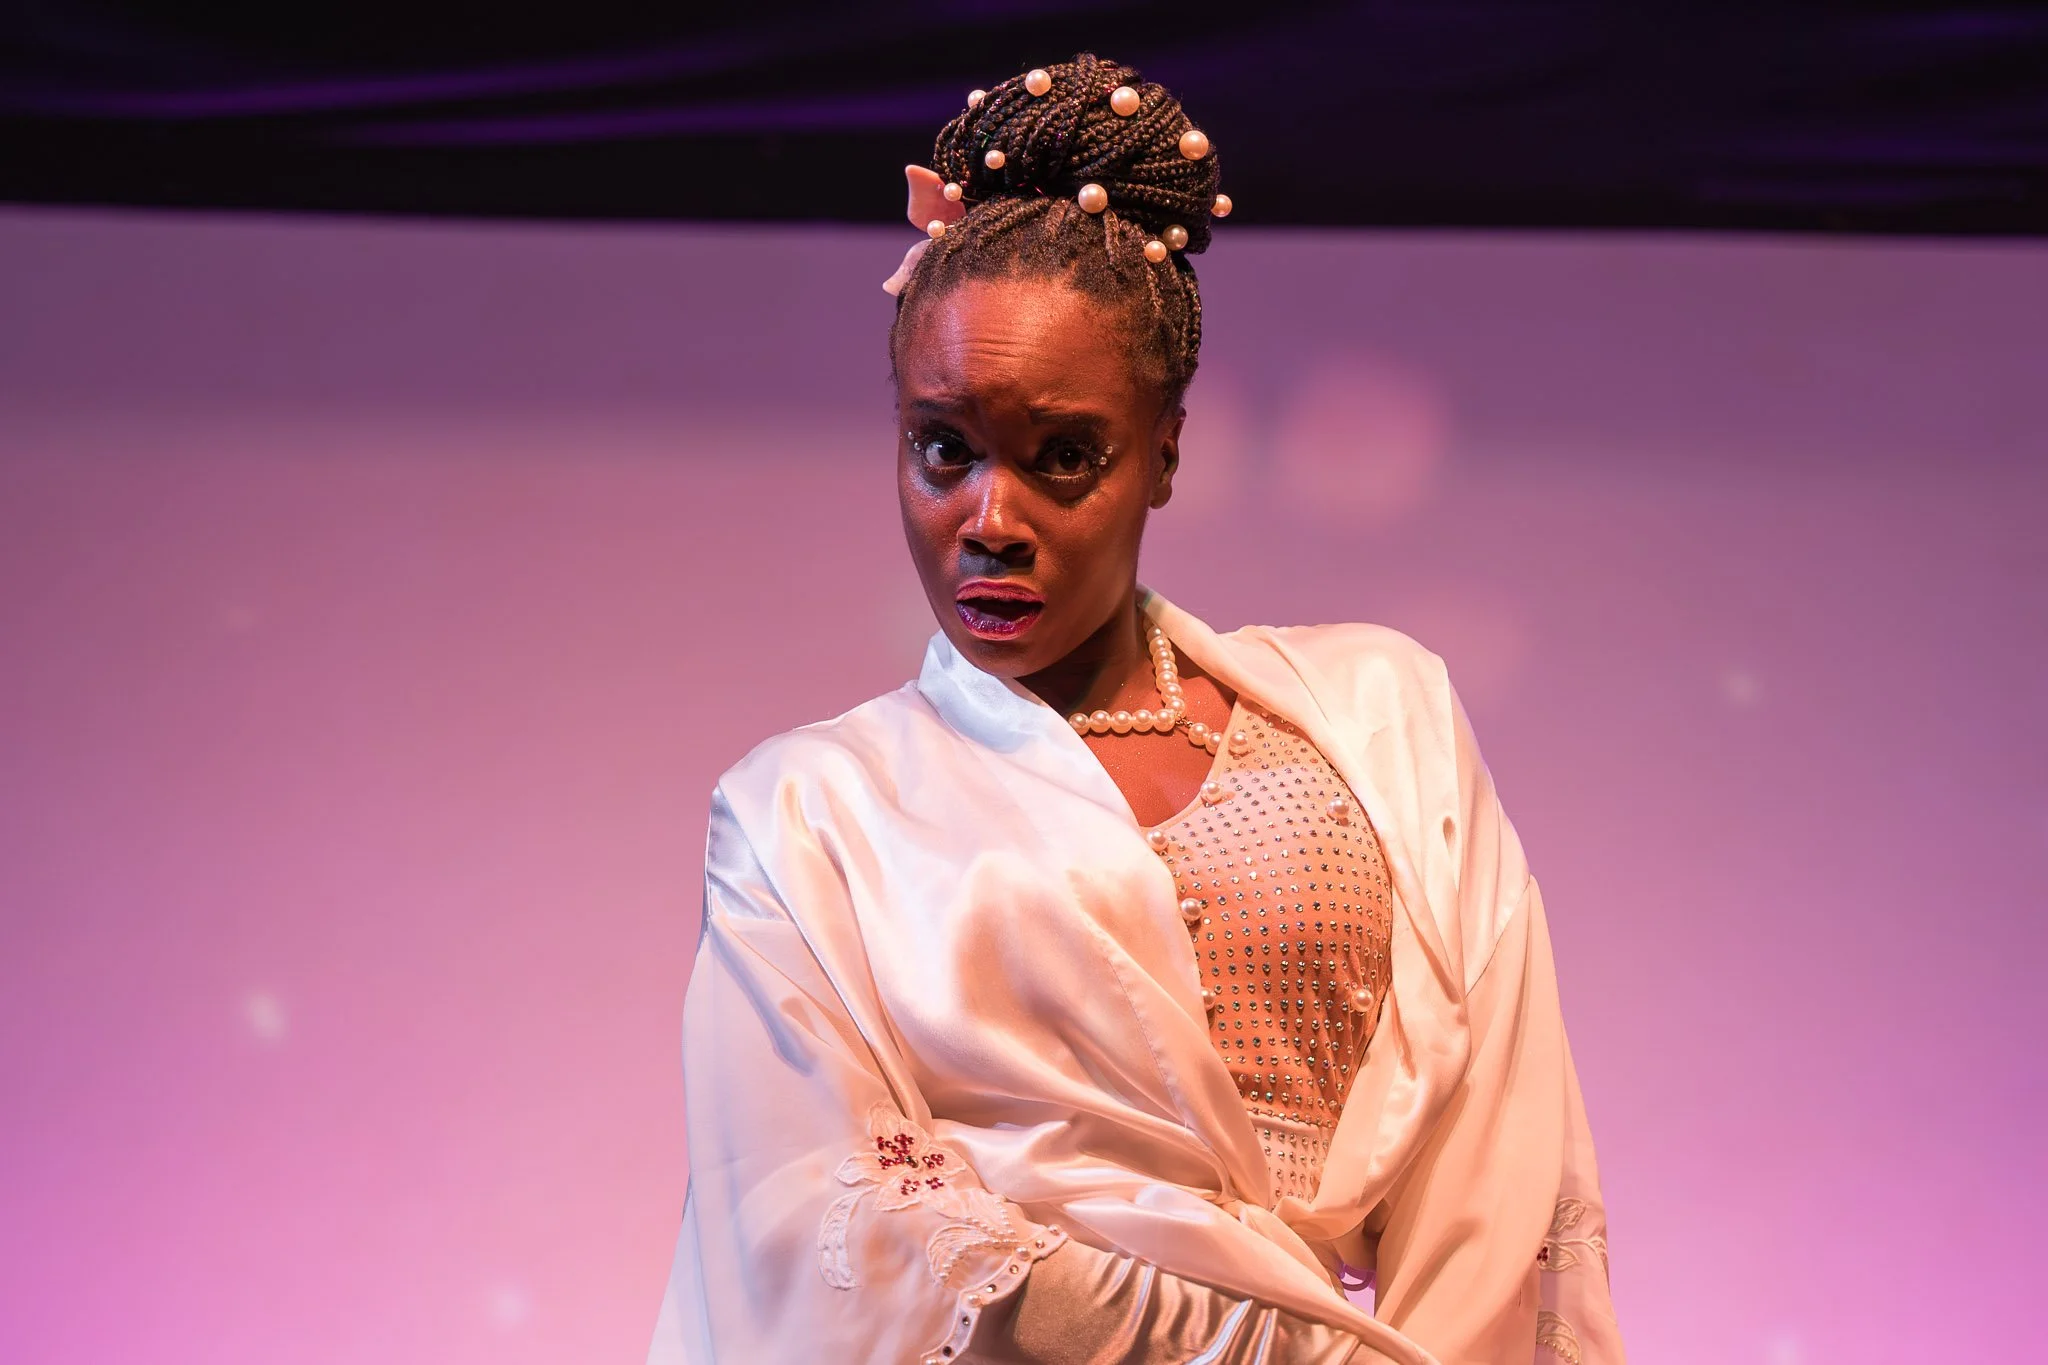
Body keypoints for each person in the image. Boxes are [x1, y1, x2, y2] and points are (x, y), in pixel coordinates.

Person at [647, 54, 1624, 1365]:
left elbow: (1502, 1169)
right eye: (945, 447)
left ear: (1166, 448)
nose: (991, 520)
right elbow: (831, 1232)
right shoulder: (805, 817)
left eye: (1064, 456)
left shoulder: (1385, 724)